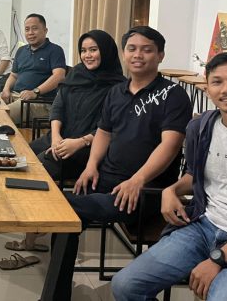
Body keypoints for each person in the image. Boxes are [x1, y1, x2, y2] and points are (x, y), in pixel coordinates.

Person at [112, 52, 227, 301]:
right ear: (207, 89)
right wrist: (172, 190)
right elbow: (196, 175)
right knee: (126, 285)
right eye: (217, 82)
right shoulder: (200, 127)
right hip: (203, 226)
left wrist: (218, 258)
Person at [45, 26, 193, 300]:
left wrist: (138, 180)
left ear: (160, 55)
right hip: (105, 180)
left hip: (144, 191)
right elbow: (104, 132)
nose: (138, 55)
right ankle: (57, 291)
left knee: (64, 208)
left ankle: (54, 296)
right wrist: (91, 166)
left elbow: (170, 145)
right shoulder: (117, 92)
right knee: (64, 217)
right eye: (132, 49)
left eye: (147, 50)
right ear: (124, 54)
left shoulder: (173, 95)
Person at [4, 30, 125, 253]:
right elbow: (58, 106)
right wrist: (57, 135)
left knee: (40, 169)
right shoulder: (76, 73)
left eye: (93, 50)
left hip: (89, 148)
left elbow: (110, 127)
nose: (87, 55)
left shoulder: (118, 87)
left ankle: (34, 236)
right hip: (60, 137)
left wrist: (80, 142)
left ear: (106, 51)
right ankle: (34, 223)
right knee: (21, 162)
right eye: (84, 50)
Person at [0, 13, 67, 125]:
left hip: (38, 101)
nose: (30, 33)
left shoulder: (55, 50)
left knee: (1, 116)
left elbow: (59, 76)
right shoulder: (21, 50)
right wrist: (6, 89)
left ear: (45, 31)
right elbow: (13, 75)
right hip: (15, 96)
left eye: (34, 29)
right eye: (27, 29)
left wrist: (35, 92)